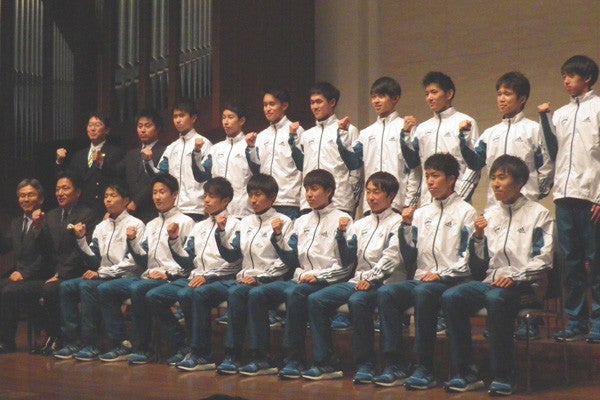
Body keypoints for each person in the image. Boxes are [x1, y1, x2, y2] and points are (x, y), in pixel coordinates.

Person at [442, 155, 554, 396]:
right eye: (493, 178)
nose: (495, 184)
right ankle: (466, 372)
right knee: (452, 296)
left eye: (502, 178)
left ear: (520, 182)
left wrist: (515, 277)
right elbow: (477, 268)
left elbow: (544, 260)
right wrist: (478, 238)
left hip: (527, 286)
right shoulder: (490, 215)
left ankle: (504, 374)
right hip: (492, 283)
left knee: (497, 298)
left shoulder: (539, 214)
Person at [373, 153, 477, 390]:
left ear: (451, 179)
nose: (429, 181)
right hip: (423, 278)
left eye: (435, 176)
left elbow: (468, 258)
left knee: (424, 293)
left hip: (452, 280)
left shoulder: (466, 212)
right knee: (387, 293)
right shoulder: (421, 213)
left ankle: (425, 366)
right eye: (427, 176)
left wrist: (442, 274)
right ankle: (395, 364)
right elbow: (409, 256)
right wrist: (405, 227)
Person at [245, 169, 353, 379]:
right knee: (257, 294)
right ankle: (261, 357)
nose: (309, 194)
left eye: (314, 189)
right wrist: (278, 238)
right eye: (307, 189)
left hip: (327, 281)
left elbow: (347, 265)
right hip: (300, 279)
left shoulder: (343, 219)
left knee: (297, 293)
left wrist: (320, 277)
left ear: (329, 191)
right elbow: (292, 260)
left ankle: (297, 358)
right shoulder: (302, 221)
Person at [177, 174, 290, 373]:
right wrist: (221, 235)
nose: (253, 200)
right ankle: (201, 353)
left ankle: (248, 356)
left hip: (270, 281)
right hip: (243, 279)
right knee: (201, 293)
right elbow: (233, 256)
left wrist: (259, 277)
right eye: (250, 195)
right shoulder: (246, 222)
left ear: (272, 197)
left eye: (258, 195)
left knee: (241, 293)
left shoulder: (283, 221)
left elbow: (286, 260)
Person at [302, 172, 405, 382]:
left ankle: (367, 364)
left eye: (377, 192)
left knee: (358, 301)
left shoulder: (398, 223)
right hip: (358, 280)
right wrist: (340, 238)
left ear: (391, 195)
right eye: (368, 192)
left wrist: (372, 280)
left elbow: (392, 257)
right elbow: (348, 260)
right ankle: (325, 362)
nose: (371, 197)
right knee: (317, 299)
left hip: (386, 283)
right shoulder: (360, 224)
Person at [95, 174, 194, 364]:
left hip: (172, 277)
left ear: (174, 195)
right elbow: (142, 259)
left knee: (139, 290)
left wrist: (168, 273)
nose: (157, 197)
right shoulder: (151, 224)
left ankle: (151, 346)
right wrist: (132, 241)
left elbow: (190, 261)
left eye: (162, 192)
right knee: (106, 289)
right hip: (148, 275)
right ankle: (121, 344)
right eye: (154, 192)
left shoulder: (186, 222)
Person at [145, 177, 241, 369]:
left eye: (212, 197)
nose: (206, 200)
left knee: (191, 294)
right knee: (154, 296)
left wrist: (208, 276)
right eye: (205, 196)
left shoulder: (236, 225)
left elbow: (235, 261)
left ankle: (202, 354)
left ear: (226, 200)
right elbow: (188, 260)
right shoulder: (199, 226)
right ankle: (184, 344)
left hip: (223, 279)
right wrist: (174, 241)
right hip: (196, 277)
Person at [538, 55, 600, 343]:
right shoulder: (560, 114)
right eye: (564, 76)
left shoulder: (598, 107)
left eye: (571, 76)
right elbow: (554, 153)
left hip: (591, 198)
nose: (565, 81)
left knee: (596, 262)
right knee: (571, 263)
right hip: (563, 196)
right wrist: (544, 119)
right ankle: (576, 321)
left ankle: (598, 321)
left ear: (587, 78)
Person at [52, 183, 145, 360]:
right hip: (104, 275)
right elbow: (94, 260)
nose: (108, 200)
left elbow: (132, 263)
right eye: (106, 196)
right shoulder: (102, 226)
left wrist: (102, 273)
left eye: (113, 195)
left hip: (127, 277)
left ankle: (104, 343)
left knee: (90, 287)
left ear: (126, 200)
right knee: (67, 286)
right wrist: (81, 239)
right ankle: (74, 341)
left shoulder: (136, 224)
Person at [460, 71, 554, 210]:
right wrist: (464, 136)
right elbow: (474, 163)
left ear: (522, 99)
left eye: (507, 94)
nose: (501, 99)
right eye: (499, 94)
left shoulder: (534, 130)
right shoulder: (490, 133)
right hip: (494, 208)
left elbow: (547, 164)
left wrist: (536, 192)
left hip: (526, 205)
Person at [33, 173, 97, 355]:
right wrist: (37, 227)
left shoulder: (87, 214)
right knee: (29, 289)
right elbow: (43, 249)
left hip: (77, 271)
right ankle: (50, 334)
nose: (60, 193)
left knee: (50, 290)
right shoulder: (51, 215)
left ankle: (61, 337)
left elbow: (80, 251)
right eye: (57, 189)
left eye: (65, 188)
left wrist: (60, 274)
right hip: (53, 271)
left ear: (77, 192)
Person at [337, 76, 418, 214]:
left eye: (381, 96)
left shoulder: (406, 128)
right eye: (373, 97)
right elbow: (353, 163)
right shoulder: (366, 133)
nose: (376, 101)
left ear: (395, 98)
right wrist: (343, 134)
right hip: (371, 203)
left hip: (397, 202)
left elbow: (414, 168)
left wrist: (409, 202)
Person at [403, 71, 481, 207]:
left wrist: (460, 199)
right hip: (428, 204)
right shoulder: (422, 128)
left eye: (434, 92)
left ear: (449, 94)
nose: (429, 98)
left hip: (457, 202)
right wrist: (411, 204)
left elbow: (474, 166)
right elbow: (415, 168)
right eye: (427, 94)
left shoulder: (466, 122)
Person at [288, 82, 360, 214]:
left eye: (319, 102)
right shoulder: (306, 135)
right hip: (309, 204)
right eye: (312, 102)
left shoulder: (349, 130)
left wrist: (349, 195)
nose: (314, 107)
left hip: (339, 201)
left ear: (332, 102)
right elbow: (302, 167)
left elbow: (356, 169)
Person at [0, 179, 51, 353]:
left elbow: (47, 255)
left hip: (42, 276)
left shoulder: (47, 220)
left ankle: (7, 342)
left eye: (30, 195)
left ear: (40, 199)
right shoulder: (16, 223)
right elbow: (7, 246)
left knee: (9, 291)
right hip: (21, 277)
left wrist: (25, 274)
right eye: (22, 195)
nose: (25, 199)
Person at [144, 98, 212, 221]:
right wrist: (148, 161)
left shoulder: (205, 144)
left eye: (182, 115)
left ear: (193, 118)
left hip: (196, 208)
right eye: (175, 116)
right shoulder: (171, 147)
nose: (178, 120)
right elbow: (160, 176)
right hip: (173, 208)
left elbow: (208, 177)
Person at [246, 87, 304, 219]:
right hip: (265, 202)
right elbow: (257, 170)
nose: (267, 109)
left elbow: (303, 165)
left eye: (272, 104)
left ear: (284, 105)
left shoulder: (297, 131)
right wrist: (251, 149)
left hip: (288, 200)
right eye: (265, 105)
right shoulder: (261, 136)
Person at [55, 112, 125, 219]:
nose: (93, 129)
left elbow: (118, 179)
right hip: (81, 210)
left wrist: (101, 163)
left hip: (104, 209)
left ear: (107, 130)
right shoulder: (78, 155)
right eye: (90, 125)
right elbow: (69, 179)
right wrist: (59, 162)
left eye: (97, 125)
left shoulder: (116, 152)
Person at [191, 102, 253, 219]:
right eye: (223, 118)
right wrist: (196, 153)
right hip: (217, 211)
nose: (226, 122)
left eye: (230, 117)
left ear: (242, 121)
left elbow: (258, 173)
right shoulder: (215, 149)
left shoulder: (250, 146)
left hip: (242, 211)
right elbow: (201, 176)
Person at [124, 109, 167, 223]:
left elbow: (158, 179)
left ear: (157, 128)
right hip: (130, 212)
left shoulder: (165, 151)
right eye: (140, 126)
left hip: (153, 210)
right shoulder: (131, 154)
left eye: (148, 126)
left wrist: (137, 201)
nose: (143, 130)